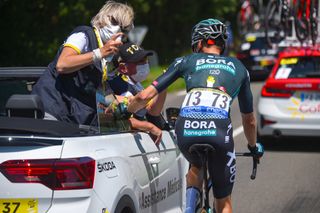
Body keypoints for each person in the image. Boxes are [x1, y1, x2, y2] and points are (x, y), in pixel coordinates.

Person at [127, 18, 264, 213]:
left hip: (187, 129)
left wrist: (125, 111)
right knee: (223, 201)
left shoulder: (186, 60)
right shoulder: (239, 67)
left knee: (195, 164)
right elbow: (249, 120)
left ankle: (190, 205)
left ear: (200, 42)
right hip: (219, 134)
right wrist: (252, 146)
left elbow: (144, 96)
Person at [32, 1, 134, 127]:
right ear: (103, 18)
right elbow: (62, 64)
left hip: (72, 119)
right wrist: (99, 53)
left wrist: (128, 101)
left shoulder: (109, 56)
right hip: (51, 109)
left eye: (123, 28)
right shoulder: (84, 35)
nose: (117, 29)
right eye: (114, 21)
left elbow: (100, 92)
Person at [106, 42, 167, 145]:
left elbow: (153, 110)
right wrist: (149, 126)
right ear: (123, 68)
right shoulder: (119, 85)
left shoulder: (135, 84)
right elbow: (121, 118)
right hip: (130, 143)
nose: (145, 64)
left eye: (145, 60)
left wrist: (163, 85)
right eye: (139, 62)